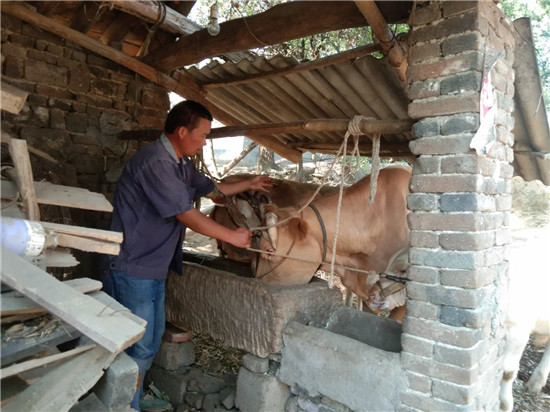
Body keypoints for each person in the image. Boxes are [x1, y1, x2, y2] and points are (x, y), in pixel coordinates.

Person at [108, 100, 271, 411]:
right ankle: (123, 406)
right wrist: (233, 236)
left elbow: (211, 191)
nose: (204, 142)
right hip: (133, 266)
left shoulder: (181, 163)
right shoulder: (156, 163)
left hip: (153, 267)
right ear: (182, 131)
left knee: (150, 343)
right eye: (202, 135)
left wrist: (249, 183)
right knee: (137, 348)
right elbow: (187, 214)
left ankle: (132, 401)